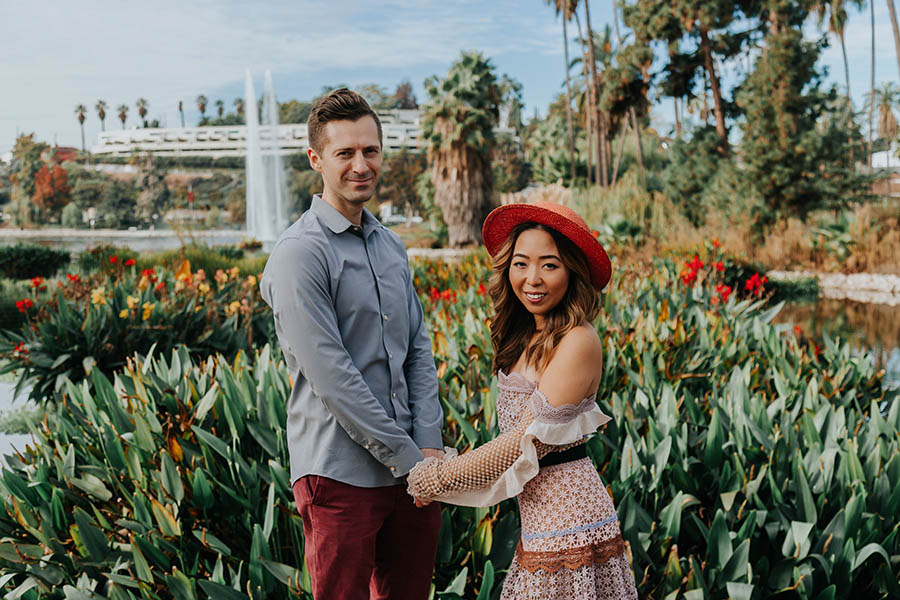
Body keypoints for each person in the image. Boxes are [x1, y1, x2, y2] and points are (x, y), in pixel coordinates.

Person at [260, 88, 444, 600]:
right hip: (339, 476)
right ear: (317, 160)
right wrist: (411, 459)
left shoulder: (391, 245)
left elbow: (418, 352)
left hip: (416, 473)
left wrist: (428, 442)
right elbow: (335, 381)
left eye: (371, 151)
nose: (361, 165)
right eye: (345, 153)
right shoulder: (300, 255)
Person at [407, 202, 638, 599]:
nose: (532, 278)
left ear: (572, 272)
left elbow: (526, 442)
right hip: (538, 524)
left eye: (549, 265)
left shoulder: (579, 340)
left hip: (571, 523)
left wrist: (439, 477)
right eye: (521, 263)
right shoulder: (524, 336)